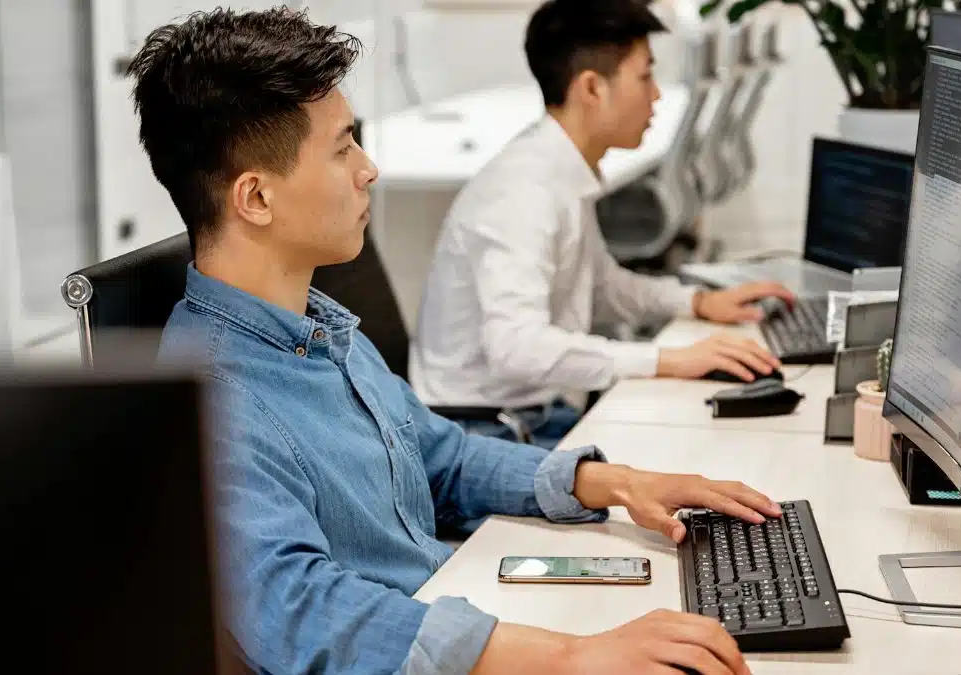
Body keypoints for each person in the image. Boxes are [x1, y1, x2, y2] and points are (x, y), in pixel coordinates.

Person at [137, 6, 775, 675]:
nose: (368, 168)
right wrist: (570, 656)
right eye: (343, 146)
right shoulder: (212, 404)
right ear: (256, 198)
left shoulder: (322, 327)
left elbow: (441, 458)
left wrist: (616, 482)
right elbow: (302, 612)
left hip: (461, 598)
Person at [411, 0, 794, 447]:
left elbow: (599, 285)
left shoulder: (561, 168)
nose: (656, 96)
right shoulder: (523, 194)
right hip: (482, 432)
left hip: (530, 413)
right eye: (645, 76)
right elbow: (517, 349)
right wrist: (666, 358)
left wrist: (697, 303)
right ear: (592, 88)